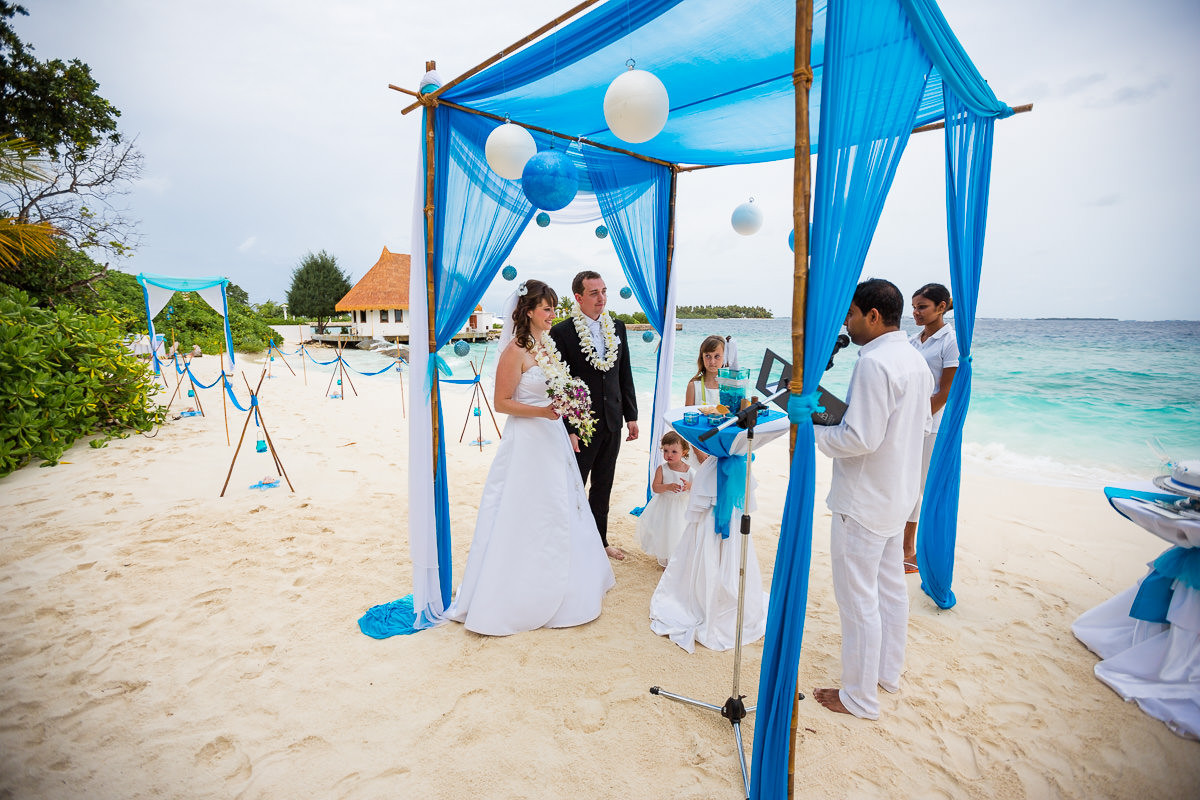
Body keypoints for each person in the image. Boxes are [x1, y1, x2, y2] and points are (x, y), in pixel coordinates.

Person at [445, 280, 615, 636]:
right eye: (547, 308)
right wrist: (544, 413)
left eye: (554, 308)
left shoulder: (547, 346)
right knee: (527, 509)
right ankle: (520, 590)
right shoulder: (515, 351)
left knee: (562, 505)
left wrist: (568, 420)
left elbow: (559, 390)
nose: (552, 314)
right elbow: (502, 402)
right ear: (527, 312)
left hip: (553, 436)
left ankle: (568, 581)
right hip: (527, 441)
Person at [812, 278, 933, 719]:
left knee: (858, 598)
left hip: (863, 501)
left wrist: (816, 425)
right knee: (890, 589)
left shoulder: (875, 363)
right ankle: (887, 673)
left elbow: (860, 437)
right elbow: (913, 427)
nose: (846, 322)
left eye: (850, 314)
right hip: (897, 494)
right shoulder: (914, 360)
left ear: (873, 316)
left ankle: (859, 696)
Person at [550, 271, 638, 561]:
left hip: (613, 420)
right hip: (580, 426)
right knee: (573, 486)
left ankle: (600, 543)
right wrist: (568, 425)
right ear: (578, 297)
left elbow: (624, 373)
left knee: (603, 486)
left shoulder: (619, 327)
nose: (601, 298)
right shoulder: (561, 333)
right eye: (594, 293)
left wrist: (631, 415)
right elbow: (558, 385)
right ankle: (569, 544)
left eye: (603, 291)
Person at [902, 283, 959, 573]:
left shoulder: (951, 341)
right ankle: (902, 546)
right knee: (906, 484)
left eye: (922, 307)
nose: (916, 312)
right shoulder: (913, 341)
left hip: (932, 426)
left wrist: (919, 418)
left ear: (942, 306)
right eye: (914, 307)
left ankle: (912, 551)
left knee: (921, 488)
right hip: (911, 423)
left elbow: (945, 392)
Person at [636, 431, 695, 567]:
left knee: (679, 530)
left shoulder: (689, 471)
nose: (669, 455)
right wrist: (667, 486)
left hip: (681, 506)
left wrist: (688, 486)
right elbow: (656, 488)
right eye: (666, 450)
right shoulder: (662, 469)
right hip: (664, 506)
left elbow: (697, 488)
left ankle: (678, 557)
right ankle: (665, 557)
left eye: (674, 451)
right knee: (664, 532)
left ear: (684, 452)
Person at [684, 335, 725, 406]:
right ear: (702, 357)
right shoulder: (693, 386)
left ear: (725, 357)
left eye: (717, 356)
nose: (712, 362)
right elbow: (689, 416)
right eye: (708, 356)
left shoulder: (731, 386)